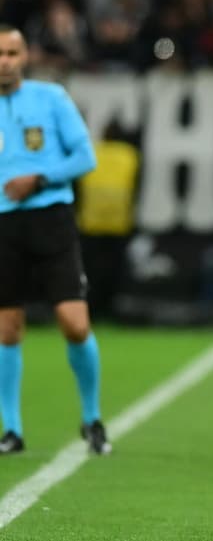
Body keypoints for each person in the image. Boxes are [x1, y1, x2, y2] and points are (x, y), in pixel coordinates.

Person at [0, 24, 110, 455]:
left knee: (75, 323)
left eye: (12, 53)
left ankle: (92, 418)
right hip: (4, 225)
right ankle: (12, 429)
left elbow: (85, 157)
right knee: (7, 329)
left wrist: (39, 179)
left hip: (51, 219)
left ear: (25, 56)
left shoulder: (51, 98)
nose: (5, 62)